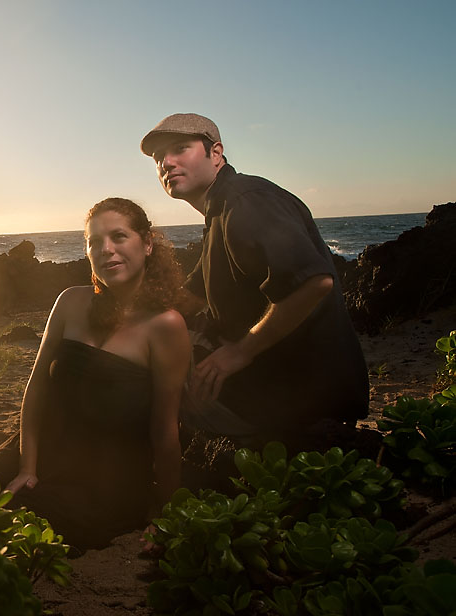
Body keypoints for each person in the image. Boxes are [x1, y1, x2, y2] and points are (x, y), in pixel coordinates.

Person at [0, 198, 190, 550]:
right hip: (39, 453)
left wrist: (166, 512)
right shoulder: (70, 301)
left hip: (104, 482)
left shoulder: (166, 326)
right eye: (94, 242)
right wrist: (27, 467)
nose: (106, 250)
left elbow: (165, 431)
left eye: (118, 237)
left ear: (146, 243)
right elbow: (36, 387)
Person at [139, 113, 369, 445]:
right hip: (277, 383)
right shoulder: (219, 212)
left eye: (180, 149)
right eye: (159, 158)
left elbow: (314, 282)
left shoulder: (245, 200)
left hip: (299, 397)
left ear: (215, 154)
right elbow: (188, 298)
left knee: (142, 384)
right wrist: (121, 309)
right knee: (145, 350)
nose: (167, 163)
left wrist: (240, 352)